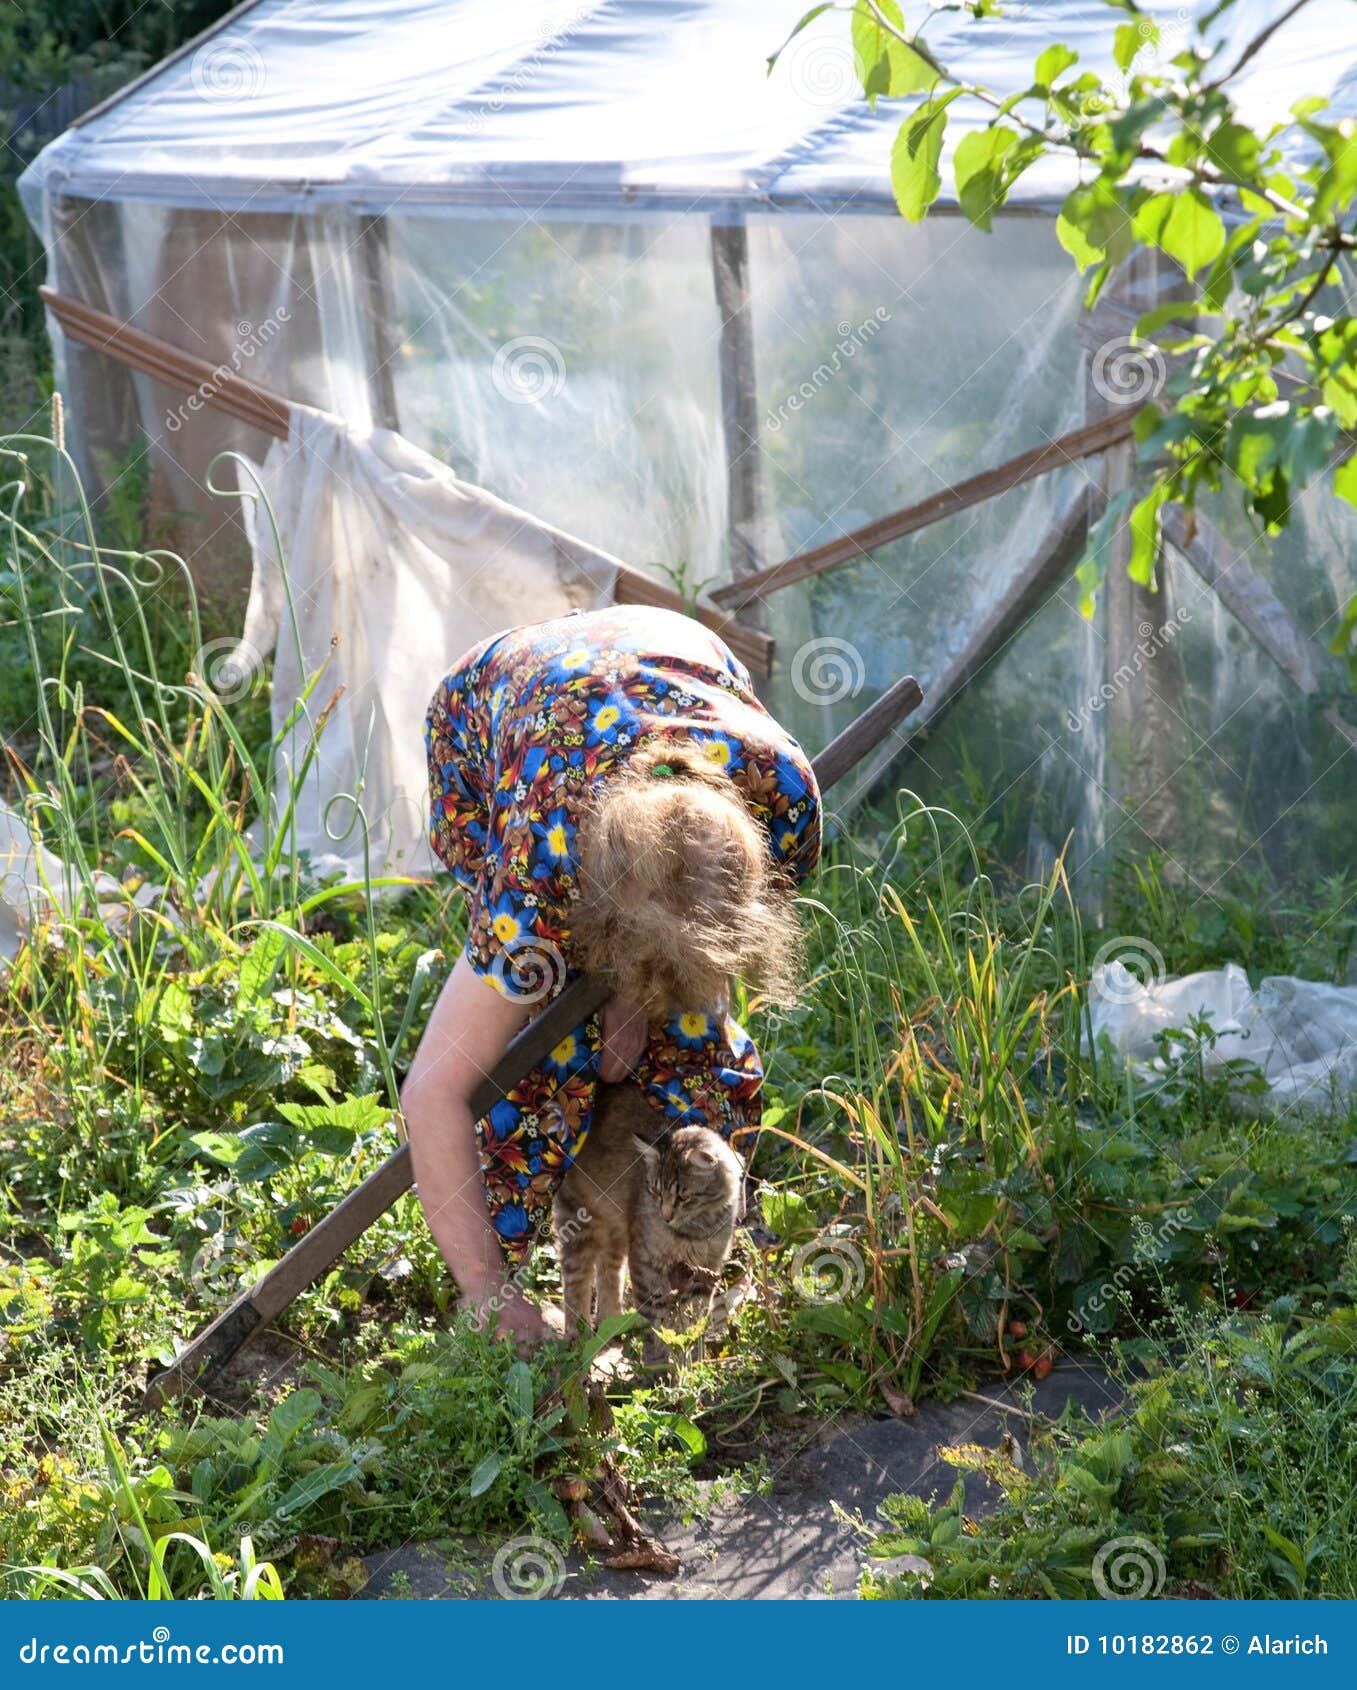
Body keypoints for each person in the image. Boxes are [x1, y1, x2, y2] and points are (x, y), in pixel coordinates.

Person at [401, 604, 820, 1346]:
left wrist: (642, 1009)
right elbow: (434, 1093)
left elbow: (700, 931)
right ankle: (518, 1271)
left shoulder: (782, 799)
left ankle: (675, 1277)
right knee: (535, 1064)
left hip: (674, 662)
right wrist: (486, 1292)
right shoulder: (537, 871)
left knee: (692, 1053)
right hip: (504, 709)